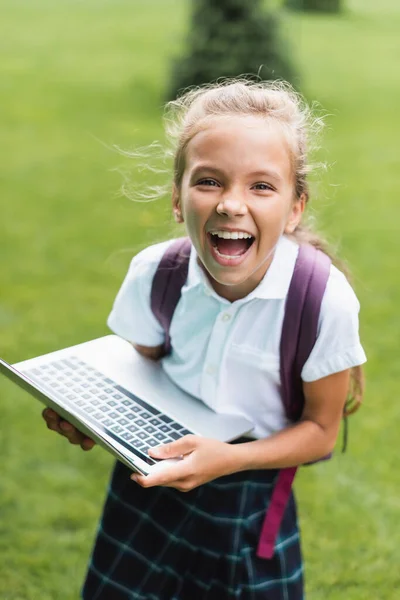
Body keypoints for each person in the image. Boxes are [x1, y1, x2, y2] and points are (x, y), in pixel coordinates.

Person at [42, 80, 366, 599]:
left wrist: (231, 458)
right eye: (209, 181)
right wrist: (89, 416)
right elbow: (137, 369)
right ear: (177, 197)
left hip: (249, 497)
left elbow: (321, 431)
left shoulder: (323, 299)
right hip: (150, 476)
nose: (231, 205)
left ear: (296, 206)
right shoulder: (156, 272)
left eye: (261, 186)